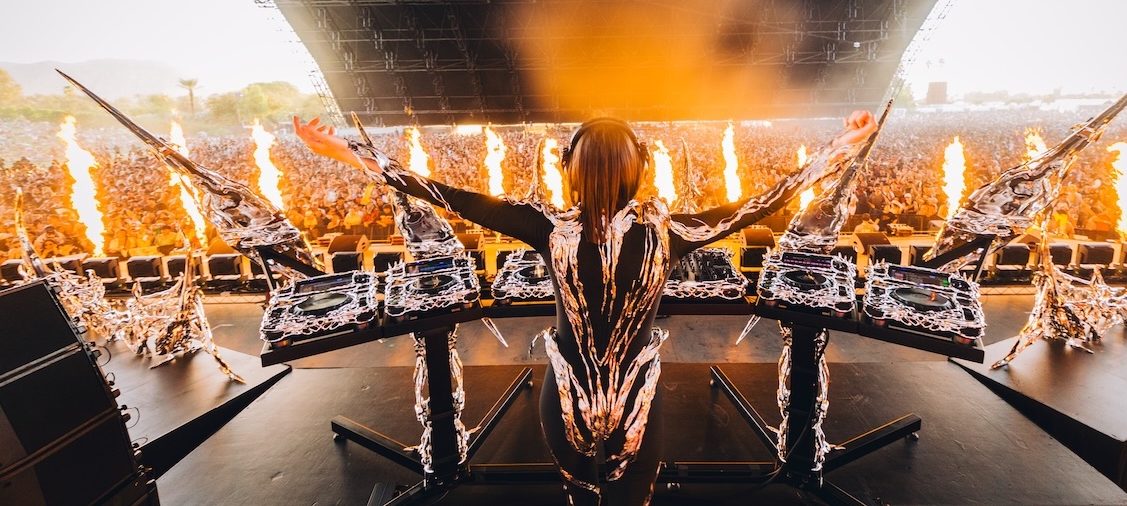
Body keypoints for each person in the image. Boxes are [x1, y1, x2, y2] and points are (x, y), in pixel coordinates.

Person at [294, 110, 878, 505]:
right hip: (638, 407)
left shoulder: (545, 226)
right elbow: (767, 200)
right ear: (641, 168)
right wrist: (840, 146)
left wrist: (341, 150)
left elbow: (438, 192)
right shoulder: (668, 232)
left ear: (570, 171)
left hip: (564, 399)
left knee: (580, 496)